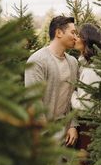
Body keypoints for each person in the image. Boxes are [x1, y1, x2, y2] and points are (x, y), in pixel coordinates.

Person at [25, 15, 78, 146]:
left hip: (66, 132)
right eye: (73, 32)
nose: (76, 37)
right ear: (59, 33)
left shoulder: (73, 62)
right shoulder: (37, 61)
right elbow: (34, 101)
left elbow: (74, 95)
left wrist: (73, 125)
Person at [71, 23, 101, 158]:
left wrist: (70, 93)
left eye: (78, 35)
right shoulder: (85, 64)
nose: (75, 38)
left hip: (92, 127)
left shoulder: (93, 69)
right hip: (88, 125)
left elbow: (86, 107)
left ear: (87, 40)